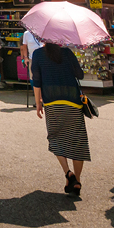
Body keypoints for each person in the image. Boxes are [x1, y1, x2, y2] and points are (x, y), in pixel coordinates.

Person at [32, 41, 90, 196]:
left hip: (52, 102)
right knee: (77, 141)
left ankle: (68, 174)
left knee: (56, 138)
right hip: (73, 101)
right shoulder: (67, 53)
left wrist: (38, 103)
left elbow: (36, 81)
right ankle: (76, 180)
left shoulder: (37, 54)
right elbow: (80, 75)